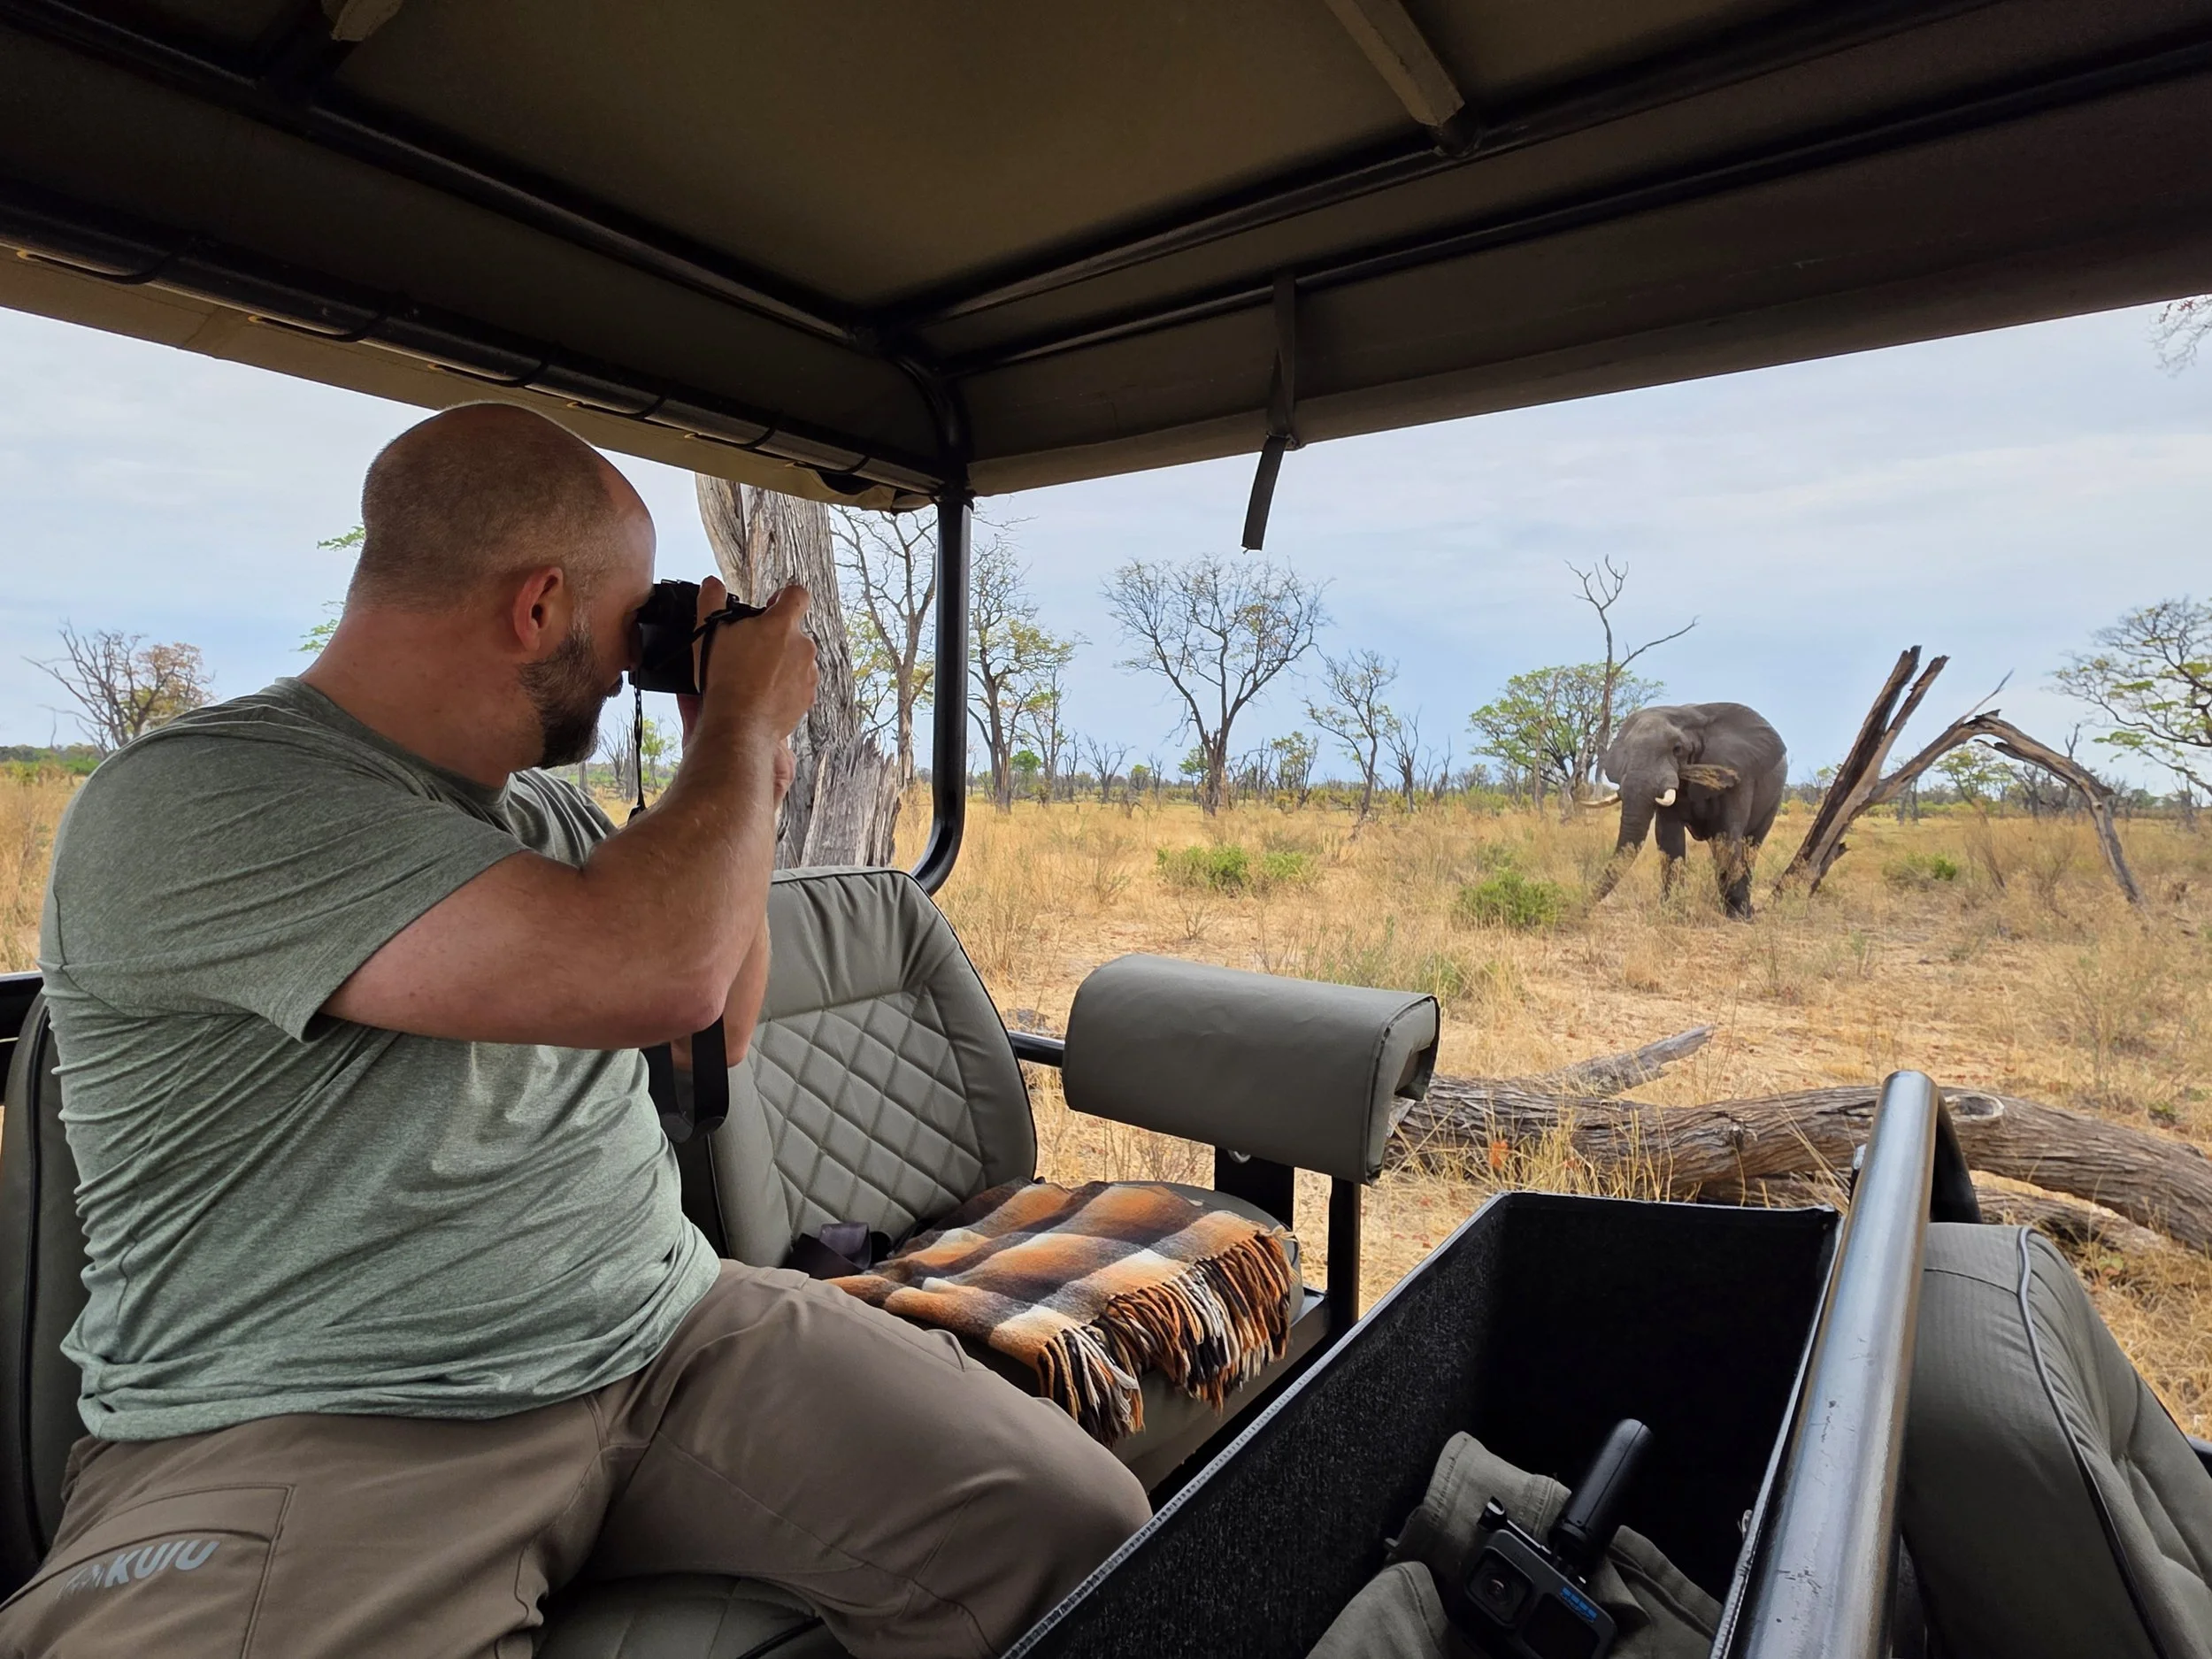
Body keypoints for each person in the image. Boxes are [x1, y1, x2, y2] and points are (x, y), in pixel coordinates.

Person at [0, 403, 1149, 1658]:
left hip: (666, 1334)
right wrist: (745, 723)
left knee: (1081, 1528)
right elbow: (646, 965)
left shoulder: (548, 818)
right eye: (631, 617)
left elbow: (714, 1012)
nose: (633, 658)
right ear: (538, 607)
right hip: (321, 1413)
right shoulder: (196, 799)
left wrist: (746, 762)